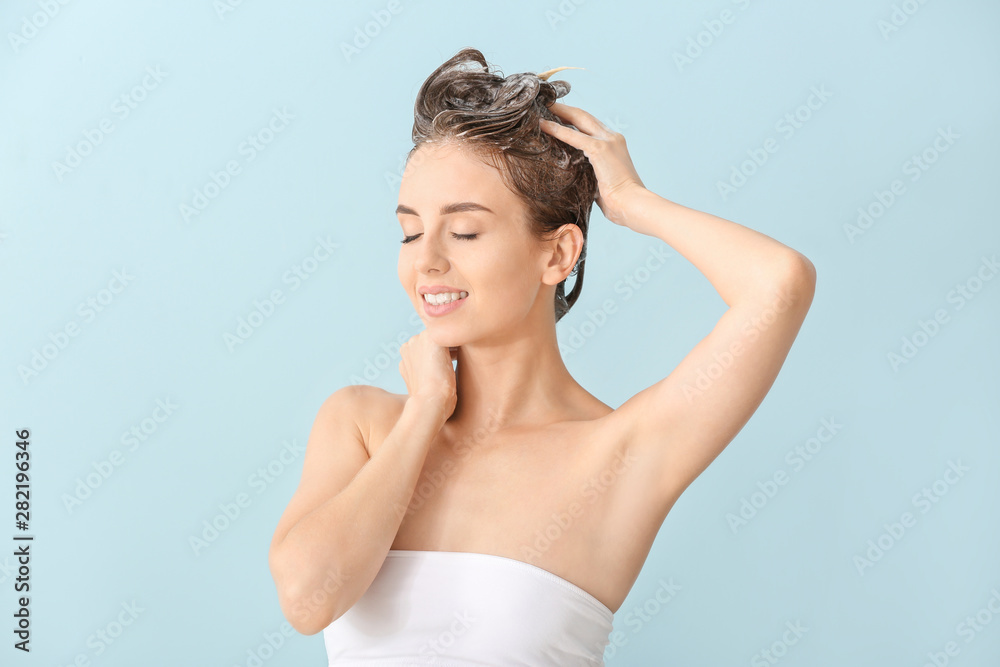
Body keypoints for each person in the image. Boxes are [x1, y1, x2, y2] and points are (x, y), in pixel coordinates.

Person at [267, 47, 816, 665]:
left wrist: (633, 202)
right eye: (411, 231)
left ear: (556, 255)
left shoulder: (620, 453)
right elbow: (309, 599)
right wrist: (424, 412)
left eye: (465, 230)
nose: (426, 261)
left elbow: (780, 283)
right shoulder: (363, 425)